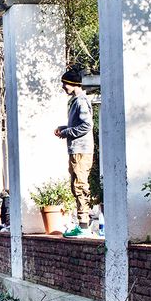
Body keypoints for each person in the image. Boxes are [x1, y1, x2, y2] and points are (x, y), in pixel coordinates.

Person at [54, 69, 94, 237]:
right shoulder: (76, 101)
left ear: (73, 84)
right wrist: (64, 128)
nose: (63, 86)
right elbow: (80, 124)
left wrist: (66, 132)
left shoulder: (81, 101)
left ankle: (84, 226)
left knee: (80, 186)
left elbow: (87, 125)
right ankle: (83, 224)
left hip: (81, 150)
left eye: (65, 83)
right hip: (77, 149)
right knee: (76, 185)